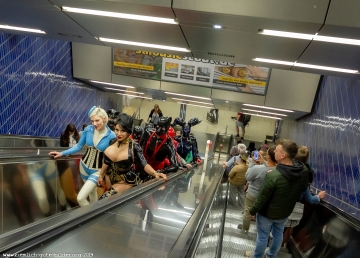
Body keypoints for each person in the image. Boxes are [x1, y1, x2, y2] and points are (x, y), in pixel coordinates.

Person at [248, 139, 309, 258]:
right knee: (278, 234)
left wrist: (252, 211)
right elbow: (302, 188)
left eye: (277, 150)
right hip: (284, 212)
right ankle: (271, 255)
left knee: (262, 236)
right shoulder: (303, 171)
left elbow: (262, 198)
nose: (274, 151)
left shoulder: (273, 176)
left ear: (283, 155)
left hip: (267, 214)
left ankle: (257, 257)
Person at [49, 106, 116, 207]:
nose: (94, 124)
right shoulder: (88, 129)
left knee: (80, 198)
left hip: (97, 170)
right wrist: (62, 153)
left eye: (97, 120)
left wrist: (104, 174)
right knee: (92, 192)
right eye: (92, 121)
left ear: (104, 118)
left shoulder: (111, 136)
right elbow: (79, 146)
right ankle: (93, 215)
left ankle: (90, 216)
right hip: (84, 166)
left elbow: (111, 157)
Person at [97, 114, 167, 197]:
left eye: (122, 131)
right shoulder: (112, 141)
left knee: (104, 199)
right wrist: (101, 175)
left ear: (128, 131)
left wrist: (155, 173)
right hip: (109, 178)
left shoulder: (134, 146)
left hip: (126, 181)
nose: (118, 133)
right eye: (116, 130)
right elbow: (107, 161)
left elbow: (144, 164)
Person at [238, 146, 277, 232]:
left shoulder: (257, 168)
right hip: (265, 196)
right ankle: (258, 230)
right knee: (261, 213)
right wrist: (263, 162)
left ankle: (245, 228)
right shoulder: (277, 170)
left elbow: (248, 177)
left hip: (252, 194)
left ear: (269, 156)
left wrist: (253, 163)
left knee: (247, 211)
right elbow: (269, 167)